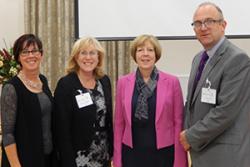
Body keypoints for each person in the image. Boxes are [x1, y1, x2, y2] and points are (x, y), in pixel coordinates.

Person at [180, 2, 250, 167]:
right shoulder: (198, 59)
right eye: (197, 23)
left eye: (209, 21)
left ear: (223, 25)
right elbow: (192, 105)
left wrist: (191, 136)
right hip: (201, 152)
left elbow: (226, 111)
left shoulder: (237, 59)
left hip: (224, 156)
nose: (203, 27)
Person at [113, 34, 187, 167]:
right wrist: (117, 160)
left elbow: (178, 123)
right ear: (135, 55)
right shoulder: (123, 82)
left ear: (156, 54)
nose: (145, 54)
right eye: (140, 50)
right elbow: (119, 124)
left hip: (163, 154)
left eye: (150, 50)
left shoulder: (172, 82)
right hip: (131, 154)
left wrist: (180, 161)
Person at [54, 37, 113, 167]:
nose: (88, 57)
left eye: (92, 53)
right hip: (78, 156)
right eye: (83, 53)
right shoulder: (66, 85)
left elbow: (108, 118)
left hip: (103, 153)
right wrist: (67, 160)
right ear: (76, 57)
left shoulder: (104, 81)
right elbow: (61, 128)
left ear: (99, 57)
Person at [1, 34, 57, 167]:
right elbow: (8, 134)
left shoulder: (43, 80)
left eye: (35, 51)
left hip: (46, 157)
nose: (31, 55)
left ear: (41, 55)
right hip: (23, 160)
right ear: (18, 57)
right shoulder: (11, 87)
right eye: (25, 52)